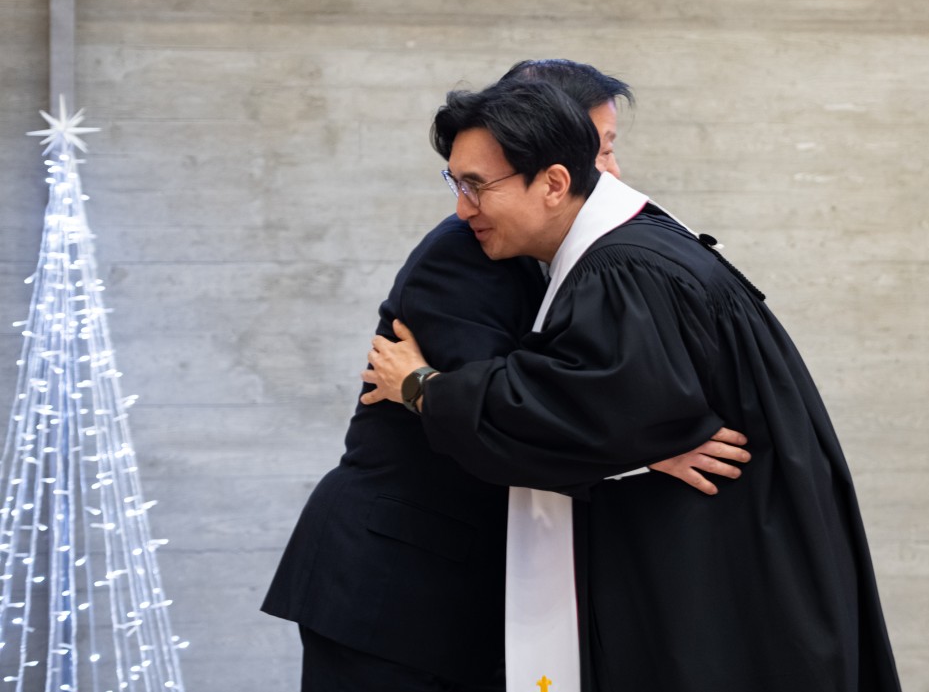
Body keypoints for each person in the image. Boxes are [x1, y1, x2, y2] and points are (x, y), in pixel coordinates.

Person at [362, 79, 903, 692]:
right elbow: (616, 412)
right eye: (455, 184)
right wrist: (641, 443)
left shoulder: (622, 269)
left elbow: (560, 409)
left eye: (476, 186)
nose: (463, 209)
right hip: (741, 548)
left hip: (721, 562)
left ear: (554, 183)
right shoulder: (639, 249)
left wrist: (421, 385)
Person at [261, 60, 750, 692]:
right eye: (597, 151)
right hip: (390, 585)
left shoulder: (561, 255)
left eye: (607, 150)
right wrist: (647, 448)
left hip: (463, 586)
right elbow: (501, 417)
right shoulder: (461, 255)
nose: (608, 173)